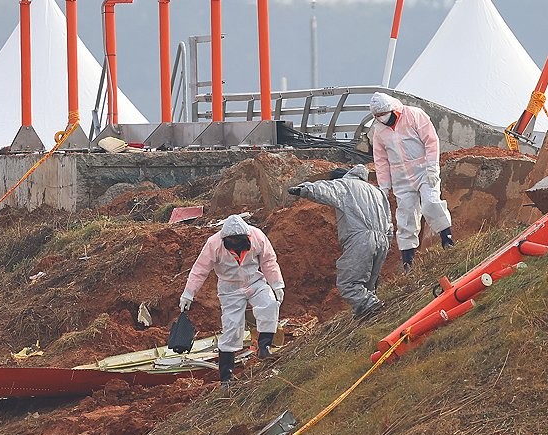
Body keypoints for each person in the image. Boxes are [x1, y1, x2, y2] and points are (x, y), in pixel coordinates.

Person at [179, 215, 285, 385]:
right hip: (230, 289)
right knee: (232, 327)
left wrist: (277, 284)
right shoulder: (214, 244)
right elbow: (200, 270)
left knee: (269, 304)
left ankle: (264, 347)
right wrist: (188, 294)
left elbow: (269, 261)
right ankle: (226, 376)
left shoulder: (257, 236)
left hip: (254, 282)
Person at [288, 165, 392, 318]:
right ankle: (368, 316)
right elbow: (389, 222)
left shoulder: (344, 185)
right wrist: (386, 243)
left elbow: (324, 189)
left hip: (360, 238)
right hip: (383, 240)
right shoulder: (377, 192)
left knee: (348, 283)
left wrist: (303, 189)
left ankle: (372, 307)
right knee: (368, 284)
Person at [368, 92, 454, 271]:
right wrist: (384, 186)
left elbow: (431, 141)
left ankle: (447, 240)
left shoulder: (414, 115)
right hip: (401, 179)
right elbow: (381, 160)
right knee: (405, 217)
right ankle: (408, 261)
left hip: (423, 171)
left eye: (381, 115)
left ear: (392, 110)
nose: (381, 119)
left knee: (431, 203)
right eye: (376, 117)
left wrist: (431, 167)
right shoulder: (379, 131)